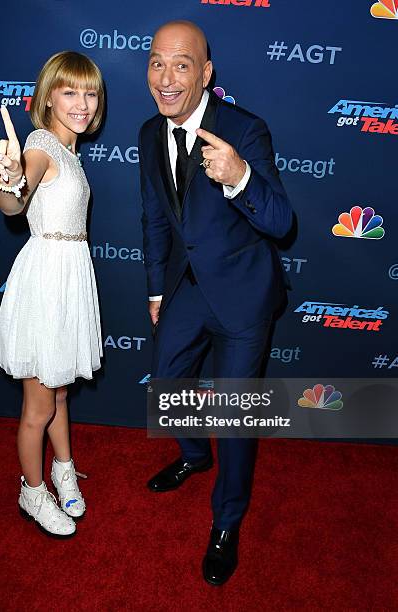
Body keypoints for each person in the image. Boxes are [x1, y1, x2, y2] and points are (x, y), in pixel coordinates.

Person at [139, 21, 293, 584]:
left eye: (182, 64)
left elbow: (281, 222)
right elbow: (156, 218)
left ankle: (227, 520)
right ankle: (193, 456)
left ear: (206, 74)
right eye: (157, 63)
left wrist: (240, 176)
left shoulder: (246, 130)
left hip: (244, 297)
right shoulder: (147, 134)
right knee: (166, 385)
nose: (167, 77)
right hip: (184, 290)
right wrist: (158, 289)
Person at [0, 51, 105, 538]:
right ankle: (32, 492)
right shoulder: (40, 144)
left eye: (90, 92)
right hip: (45, 283)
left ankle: (63, 467)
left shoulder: (70, 151)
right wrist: (9, 178)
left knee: (58, 391)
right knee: (38, 405)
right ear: (49, 97)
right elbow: (14, 203)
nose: (82, 102)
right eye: (70, 91)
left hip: (69, 277)